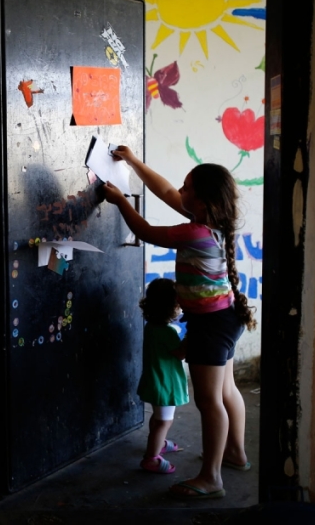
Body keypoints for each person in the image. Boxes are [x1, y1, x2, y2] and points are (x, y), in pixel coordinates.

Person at [100, 146, 257, 500]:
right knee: (227, 392)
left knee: (209, 401)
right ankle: (235, 453)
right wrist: (135, 163)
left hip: (210, 326)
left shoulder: (193, 233)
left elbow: (146, 231)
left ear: (202, 202)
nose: (180, 193)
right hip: (225, 318)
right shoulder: (215, 223)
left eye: (188, 188)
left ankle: (211, 477)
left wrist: (121, 201)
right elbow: (167, 191)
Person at [137, 277, 189, 474]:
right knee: (164, 421)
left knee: (158, 418)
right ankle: (151, 458)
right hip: (165, 385)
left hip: (155, 381)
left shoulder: (151, 327)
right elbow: (180, 353)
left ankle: (157, 443)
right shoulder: (167, 332)